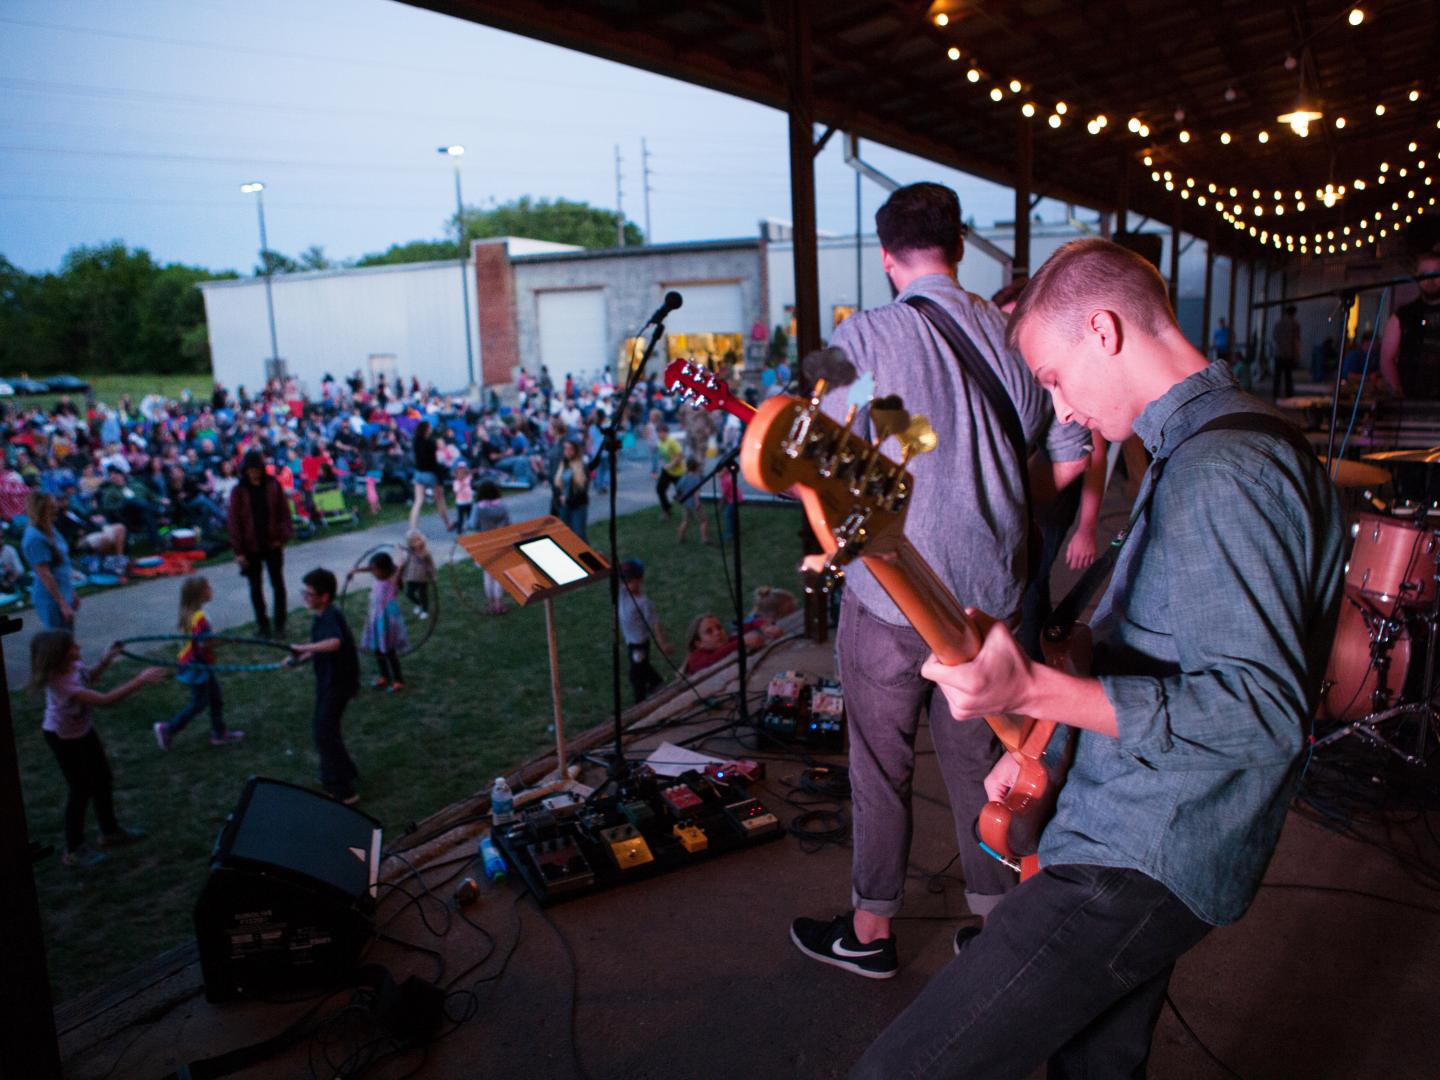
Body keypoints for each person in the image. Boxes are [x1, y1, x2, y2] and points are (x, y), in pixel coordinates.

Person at [851, 238, 1344, 1078]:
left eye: (1052, 378)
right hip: (1139, 822)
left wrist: (1034, 685)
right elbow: (1159, 657)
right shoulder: (1208, 444)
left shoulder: (1223, 470)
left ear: (1105, 331)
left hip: (1144, 847)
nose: (1064, 411)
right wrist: (1053, 738)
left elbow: (1255, 714)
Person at [789, 182, 1091, 979]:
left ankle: (871, 931)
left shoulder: (862, 334)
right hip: (989, 597)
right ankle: (998, 931)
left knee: (879, 762)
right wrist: (994, 506)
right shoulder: (1014, 329)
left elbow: (800, 438)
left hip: (891, 592)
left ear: (888, 259)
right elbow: (1070, 454)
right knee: (981, 766)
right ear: (958, 248)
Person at [29, 630, 168, 867]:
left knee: (103, 778)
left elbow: (88, 678)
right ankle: (73, 850)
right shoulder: (61, 683)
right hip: (62, 738)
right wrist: (140, 680)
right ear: (58, 656)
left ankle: (109, 831)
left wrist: (106, 660)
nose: (78, 647)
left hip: (82, 731)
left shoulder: (72, 664)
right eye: (73, 647)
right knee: (80, 789)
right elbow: (106, 700)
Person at [288, 568, 362, 804]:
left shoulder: (330, 616)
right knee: (326, 730)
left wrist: (304, 648)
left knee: (324, 732)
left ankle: (344, 791)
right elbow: (322, 645)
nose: (305, 597)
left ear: (325, 596)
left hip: (339, 683)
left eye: (310, 594)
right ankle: (343, 773)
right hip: (328, 681)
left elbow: (334, 642)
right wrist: (298, 657)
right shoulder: (322, 614)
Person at [154, 574, 243, 749]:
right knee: (200, 702)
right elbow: (204, 643)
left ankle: (219, 733)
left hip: (195, 663)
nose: (212, 590)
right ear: (200, 594)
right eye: (208, 588)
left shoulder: (189, 613)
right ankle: (168, 728)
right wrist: (228, 640)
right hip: (197, 666)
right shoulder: (199, 617)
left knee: (215, 698)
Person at [226, 450, 292, 639]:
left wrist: (283, 536)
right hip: (250, 547)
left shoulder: (273, 485)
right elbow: (234, 522)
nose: (254, 473)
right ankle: (263, 626)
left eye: (257, 469)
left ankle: (280, 625)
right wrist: (238, 551)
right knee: (255, 588)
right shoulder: (238, 491)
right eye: (250, 470)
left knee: (278, 584)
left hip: (273, 543)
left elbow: (284, 512)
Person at [1380, 242, 1440, 398]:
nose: (1430, 279)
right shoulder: (1403, 315)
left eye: (1436, 273)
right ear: (1417, 276)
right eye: (1425, 274)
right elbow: (1387, 358)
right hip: (1411, 399)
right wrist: (1397, 390)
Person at [347, 550, 408, 692]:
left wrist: (401, 555)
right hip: (375, 618)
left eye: (375, 569)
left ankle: (399, 680)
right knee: (377, 649)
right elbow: (370, 568)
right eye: (372, 569)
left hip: (387, 620)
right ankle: (384, 676)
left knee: (389, 651)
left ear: (385, 569)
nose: (372, 572)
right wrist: (354, 570)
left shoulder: (392, 581)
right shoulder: (379, 577)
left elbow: (400, 566)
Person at [22, 490, 79, 629]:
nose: (57, 509)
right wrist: (62, 603)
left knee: (67, 639)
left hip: (63, 590)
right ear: (43, 510)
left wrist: (71, 592)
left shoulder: (50, 529)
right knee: (57, 641)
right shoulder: (34, 538)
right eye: (52, 507)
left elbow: (62, 563)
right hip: (50, 598)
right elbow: (45, 574)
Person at [618, 560, 671, 702]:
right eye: (624, 581)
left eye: (630, 581)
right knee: (642, 666)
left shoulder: (643, 602)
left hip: (640, 644)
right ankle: (656, 682)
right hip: (630, 642)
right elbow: (611, 576)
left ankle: (640, 702)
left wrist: (662, 643)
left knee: (636, 676)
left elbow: (655, 623)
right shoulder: (623, 593)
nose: (626, 585)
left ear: (640, 580)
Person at [467, 480, 511, 614]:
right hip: (500, 544)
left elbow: (472, 524)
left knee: (488, 574)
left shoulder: (478, 508)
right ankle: (499, 604)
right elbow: (508, 524)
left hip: (484, 545)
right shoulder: (502, 506)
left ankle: (491, 604)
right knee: (499, 575)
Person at [683, 611, 775, 675]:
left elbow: (751, 624)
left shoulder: (727, 642)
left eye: (719, 627)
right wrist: (742, 642)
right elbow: (711, 660)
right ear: (699, 644)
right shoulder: (695, 658)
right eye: (709, 631)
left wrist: (765, 627)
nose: (717, 632)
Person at [408, 420, 452, 531]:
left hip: (419, 473)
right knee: (440, 500)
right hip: (431, 474)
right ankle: (448, 524)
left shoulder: (415, 441)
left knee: (418, 501)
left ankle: (412, 528)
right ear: (427, 429)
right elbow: (434, 462)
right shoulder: (431, 443)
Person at [552, 438, 590, 541]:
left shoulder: (582, 466)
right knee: (567, 535)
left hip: (578, 505)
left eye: (570, 449)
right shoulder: (562, 465)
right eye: (565, 449)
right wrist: (558, 500)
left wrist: (568, 499)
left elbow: (583, 490)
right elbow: (557, 485)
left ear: (576, 451)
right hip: (563, 506)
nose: (567, 451)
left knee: (579, 534)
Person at [399, 529, 436, 621]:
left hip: (423, 578)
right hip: (411, 577)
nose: (417, 543)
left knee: (423, 594)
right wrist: (403, 574)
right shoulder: (409, 552)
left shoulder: (426, 552)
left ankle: (425, 610)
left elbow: (431, 564)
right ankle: (418, 604)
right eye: (414, 541)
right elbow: (405, 563)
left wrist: (434, 575)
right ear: (410, 543)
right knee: (409, 593)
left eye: (418, 540)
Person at [674, 458, 710, 544]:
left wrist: (680, 498)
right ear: (696, 467)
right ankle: (704, 539)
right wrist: (697, 503)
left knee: (686, 520)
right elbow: (696, 492)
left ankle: (680, 538)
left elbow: (678, 490)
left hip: (686, 504)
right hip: (694, 503)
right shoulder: (696, 478)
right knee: (703, 520)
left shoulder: (683, 477)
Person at [654, 423, 685, 518]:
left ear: (666, 433)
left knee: (684, 495)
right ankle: (666, 510)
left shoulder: (672, 441)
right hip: (668, 471)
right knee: (660, 489)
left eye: (661, 433)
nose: (659, 435)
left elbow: (680, 456)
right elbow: (665, 456)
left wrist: (671, 465)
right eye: (658, 433)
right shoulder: (659, 442)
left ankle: (690, 513)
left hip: (679, 472)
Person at [1273, 303, 1301, 399]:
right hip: (1288, 354)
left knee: (1277, 376)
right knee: (1288, 376)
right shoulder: (1295, 325)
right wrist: (1297, 355)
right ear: (1294, 313)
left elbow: (1275, 338)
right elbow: (1296, 341)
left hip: (1278, 354)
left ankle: (1275, 394)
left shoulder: (1278, 324)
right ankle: (1289, 395)